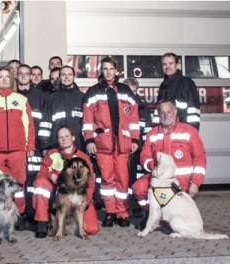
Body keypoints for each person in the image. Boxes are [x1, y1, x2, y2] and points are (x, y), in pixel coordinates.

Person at [83, 57, 140, 227]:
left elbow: (134, 118)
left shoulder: (125, 91)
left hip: (123, 143)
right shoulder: (93, 92)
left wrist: (135, 139)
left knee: (122, 179)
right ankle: (110, 212)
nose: (108, 72)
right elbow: (87, 120)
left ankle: (122, 213)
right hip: (103, 144)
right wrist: (89, 139)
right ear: (101, 70)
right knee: (107, 180)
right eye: (105, 68)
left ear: (116, 71)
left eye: (111, 69)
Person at [132, 99, 206, 230]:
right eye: (162, 112)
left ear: (175, 112)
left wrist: (195, 183)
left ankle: (168, 218)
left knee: (175, 221)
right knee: (139, 188)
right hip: (158, 180)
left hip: (180, 183)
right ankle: (152, 214)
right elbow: (144, 157)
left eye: (169, 112)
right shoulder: (152, 134)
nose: (165, 116)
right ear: (158, 114)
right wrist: (153, 167)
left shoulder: (189, 132)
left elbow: (200, 158)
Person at [0, 66, 36, 218]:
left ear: (11, 79)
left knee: (19, 184)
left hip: (18, 151)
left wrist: (30, 145)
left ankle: (19, 214)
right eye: (1, 77)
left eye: (7, 77)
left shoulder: (21, 100)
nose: (4, 79)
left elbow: (28, 124)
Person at [32, 126, 99, 238]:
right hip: (57, 196)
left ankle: (69, 224)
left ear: (73, 138)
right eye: (60, 137)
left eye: (67, 136)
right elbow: (41, 173)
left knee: (91, 229)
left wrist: (87, 201)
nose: (64, 139)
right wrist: (50, 175)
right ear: (57, 140)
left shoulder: (82, 157)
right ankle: (42, 223)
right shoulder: (52, 154)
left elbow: (91, 183)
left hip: (78, 196)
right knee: (40, 184)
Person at [15, 64, 47, 229]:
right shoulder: (11, 96)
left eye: (26, 74)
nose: (23, 76)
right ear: (17, 75)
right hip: (16, 148)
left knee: (33, 181)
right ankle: (20, 216)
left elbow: (44, 123)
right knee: (19, 183)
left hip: (35, 147)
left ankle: (34, 214)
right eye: (20, 73)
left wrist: (42, 146)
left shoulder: (40, 97)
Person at [38, 66, 86, 154]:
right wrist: (44, 146)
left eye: (69, 74)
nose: (66, 77)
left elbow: (87, 124)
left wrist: (88, 143)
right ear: (59, 78)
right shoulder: (51, 98)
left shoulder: (82, 98)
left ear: (74, 77)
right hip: (56, 147)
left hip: (79, 147)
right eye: (63, 75)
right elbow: (45, 124)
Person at [122, 77, 152, 218]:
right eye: (130, 91)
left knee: (135, 179)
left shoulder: (142, 106)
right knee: (123, 179)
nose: (133, 94)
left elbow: (147, 128)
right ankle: (124, 207)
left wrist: (146, 147)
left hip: (138, 149)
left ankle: (137, 207)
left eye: (135, 91)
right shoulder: (119, 104)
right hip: (122, 148)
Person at [156, 52, 201, 130]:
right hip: (165, 132)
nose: (167, 66)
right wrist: (156, 129)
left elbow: (193, 113)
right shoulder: (163, 86)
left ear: (177, 65)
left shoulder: (187, 83)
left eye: (171, 63)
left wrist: (192, 132)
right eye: (164, 64)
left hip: (182, 131)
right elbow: (159, 112)